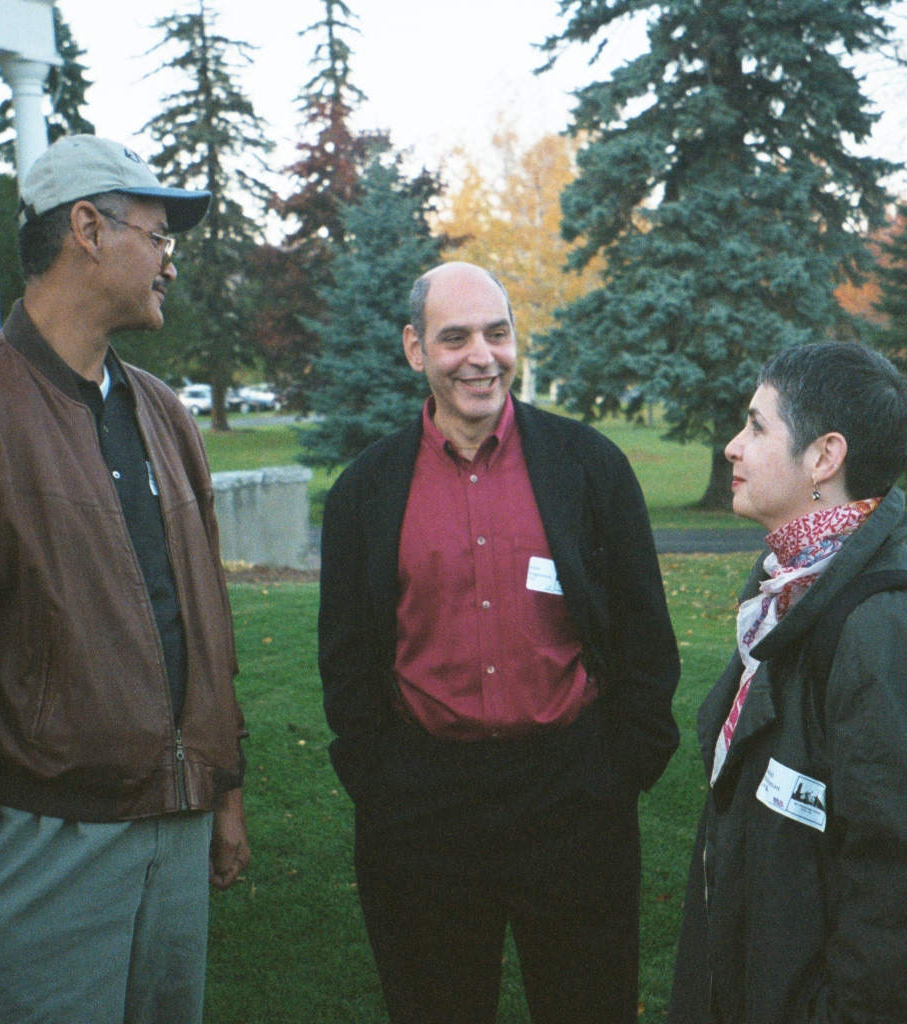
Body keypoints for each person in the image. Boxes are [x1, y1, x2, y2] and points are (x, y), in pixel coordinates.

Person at [0, 134, 250, 1024]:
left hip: (174, 840)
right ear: (87, 229)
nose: (170, 265)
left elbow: (204, 622)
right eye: (159, 236)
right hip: (36, 849)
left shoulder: (164, 415)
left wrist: (222, 788)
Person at [318, 261, 681, 1024]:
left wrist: (618, 771)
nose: (481, 356)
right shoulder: (367, 489)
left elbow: (646, 638)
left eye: (497, 332)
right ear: (416, 350)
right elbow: (346, 657)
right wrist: (381, 781)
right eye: (455, 338)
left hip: (573, 800)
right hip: (424, 811)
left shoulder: (591, 468)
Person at [667, 342, 907, 1024]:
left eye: (757, 426)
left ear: (824, 458)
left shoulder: (893, 633)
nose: (732, 447)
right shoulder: (792, 599)